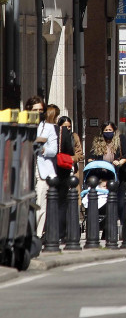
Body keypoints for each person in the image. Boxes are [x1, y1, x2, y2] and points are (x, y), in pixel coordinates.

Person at [56, 115, 84, 241]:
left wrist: (71, 159)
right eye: (65, 127)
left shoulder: (74, 137)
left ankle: (72, 228)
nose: (67, 129)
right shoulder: (57, 136)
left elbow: (80, 154)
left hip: (72, 170)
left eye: (69, 127)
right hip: (59, 172)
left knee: (73, 199)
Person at [34, 102, 59, 240]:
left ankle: (36, 235)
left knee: (40, 203)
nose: (37, 113)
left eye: (40, 110)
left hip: (43, 171)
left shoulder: (49, 128)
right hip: (27, 169)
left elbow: (53, 151)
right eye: (34, 110)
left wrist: (42, 148)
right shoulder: (26, 125)